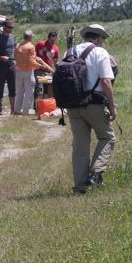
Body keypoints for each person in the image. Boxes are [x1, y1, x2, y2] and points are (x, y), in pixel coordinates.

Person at [66, 24, 117, 195]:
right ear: (98, 38)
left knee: (80, 147)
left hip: (73, 104)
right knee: (108, 138)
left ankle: (79, 188)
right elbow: (106, 82)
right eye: (102, 39)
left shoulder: (71, 51)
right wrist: (112, 105)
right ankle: (95, 174)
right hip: (94, 102)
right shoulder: (99, 52)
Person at [14, 30, 54, 116]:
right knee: (29, 92)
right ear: (30, 37)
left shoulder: (18, 46)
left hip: (18, 71)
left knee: (19, 91)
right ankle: (25, 112)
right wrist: (40, 66)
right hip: (28, 71)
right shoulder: (31, 47)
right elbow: (31, 61)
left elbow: (16, 58)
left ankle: (17, 110)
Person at [0, 20, 16, 115]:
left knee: (12, 87)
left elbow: (14, 50)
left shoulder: (13, 37)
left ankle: (13, 110)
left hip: (11, 65)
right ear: (4, 27)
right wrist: (1, 57)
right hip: (1, 65)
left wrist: (15, 61)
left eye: (12, 27)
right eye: (9, 27)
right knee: (0, 87)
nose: (11, 29)